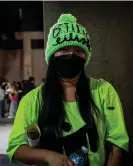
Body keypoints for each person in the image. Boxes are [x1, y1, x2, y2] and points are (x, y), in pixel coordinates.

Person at [7, 14, 129, 166]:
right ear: (52, 55)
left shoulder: (103, 91)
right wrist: (48, 156)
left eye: (79, 50)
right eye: (64, 49)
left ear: (86, 56)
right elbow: (16, 148)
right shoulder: (32, 100)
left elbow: (117, 142)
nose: (71, 55)